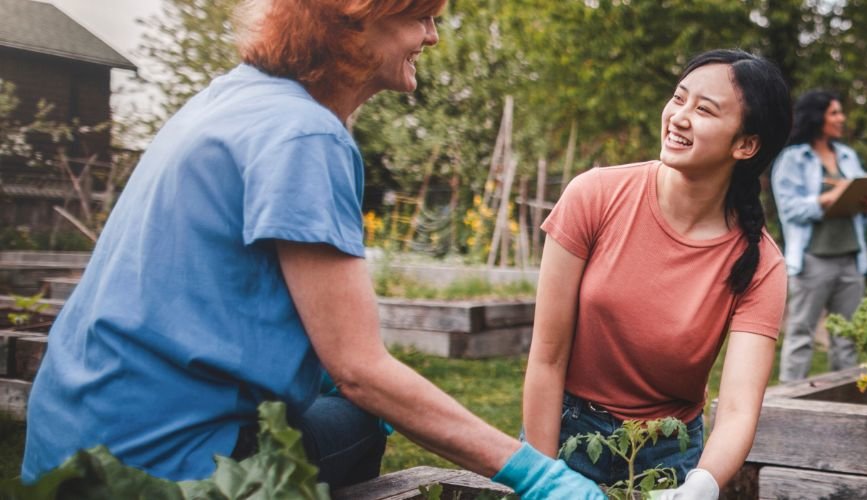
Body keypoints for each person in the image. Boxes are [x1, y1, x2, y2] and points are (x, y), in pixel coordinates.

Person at [21, 1, 600, 497]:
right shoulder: (305, 135)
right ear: (356, 19)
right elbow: (361, 371)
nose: (432, 35)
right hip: (162, 468)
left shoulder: (230, 98)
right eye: (419, 17)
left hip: (71, 440)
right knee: (363, 417)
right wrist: (536, 475)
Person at [522, 49, 790, 499]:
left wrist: (701, 485)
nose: (679, 117)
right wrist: (543, 474)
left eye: (704, 110)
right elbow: (547, 358)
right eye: (678, 98)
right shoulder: (594, 196)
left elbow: (741, 409)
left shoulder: (761, 263)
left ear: (745, 145)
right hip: (567, 432)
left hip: (667, 454)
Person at [771, 90, 867, 382]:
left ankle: (844, 404)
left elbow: (863, 208)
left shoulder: (847, 155)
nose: (841, 118)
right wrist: (827, 199)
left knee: (847, 339)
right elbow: (790, 209)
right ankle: (789, 403)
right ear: (817, 117)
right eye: (834, 113)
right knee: (801, 334)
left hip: (851, 260)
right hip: (813, 261)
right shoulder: (792, 159)